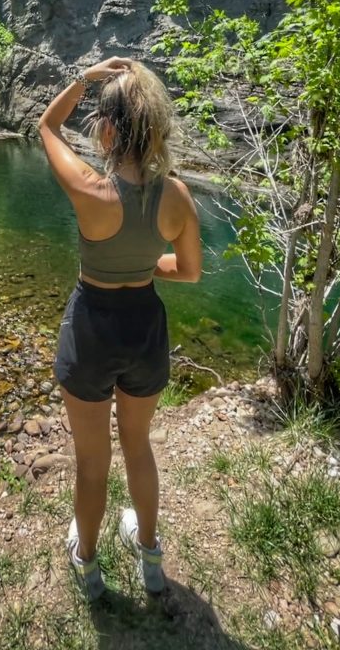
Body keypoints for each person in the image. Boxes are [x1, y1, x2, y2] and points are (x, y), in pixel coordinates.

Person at [38, 56, 202, 601]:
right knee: (138, 446)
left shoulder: (92, 190)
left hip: (91, 329)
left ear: (107, 129)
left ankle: (87, 566)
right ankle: (151, 559)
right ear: (155, 127)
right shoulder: (176, 196)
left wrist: (86, 77)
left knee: (91, 461)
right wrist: (144, 264)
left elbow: (46, 125)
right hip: (145, 331)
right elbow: (190, 271)